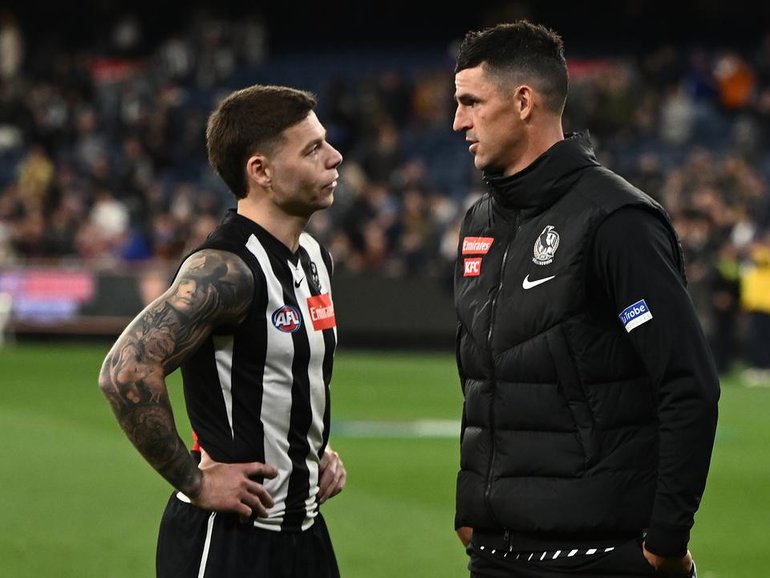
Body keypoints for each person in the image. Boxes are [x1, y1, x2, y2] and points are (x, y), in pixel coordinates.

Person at [450, 21, 720, 578]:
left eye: (471, 102)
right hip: (497, 552)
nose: (458, 122)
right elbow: (483, 382)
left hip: (595, 554)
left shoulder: (617, 221)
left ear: (524, 102)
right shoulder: (480, 223)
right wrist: (472, 502)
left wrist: (666, 539)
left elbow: (686, 383)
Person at [98, 84, 347, 578]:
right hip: (231, 538)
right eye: (313, 148)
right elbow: (125, 370)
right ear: (261, 171)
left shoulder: (316, 258)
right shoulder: (226, 270)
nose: (335, 157)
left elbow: (283, 377)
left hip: (307, 532)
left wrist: (313, 451)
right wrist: (194, 481)